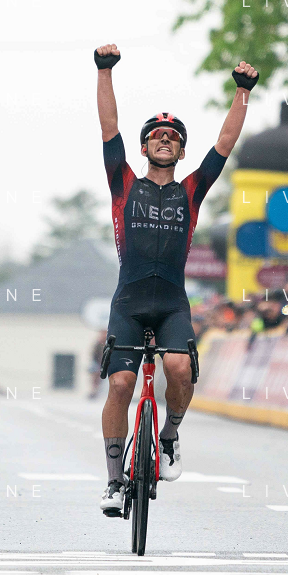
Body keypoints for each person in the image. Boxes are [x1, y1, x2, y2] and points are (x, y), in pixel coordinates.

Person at [94, 43, 254, 516]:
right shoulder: (124, 183)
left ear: (182, 152)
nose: (164, 139)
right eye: (156, 135)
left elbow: (224, 144)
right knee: (120, 385)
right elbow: (108, 128)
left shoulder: (192, 190)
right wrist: (104, 71)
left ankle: (169, 435)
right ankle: (114, 481)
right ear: (145, 147)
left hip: (171, 304)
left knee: (180, 370)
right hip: (128, 303)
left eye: (173, 137)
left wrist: (242, 92)